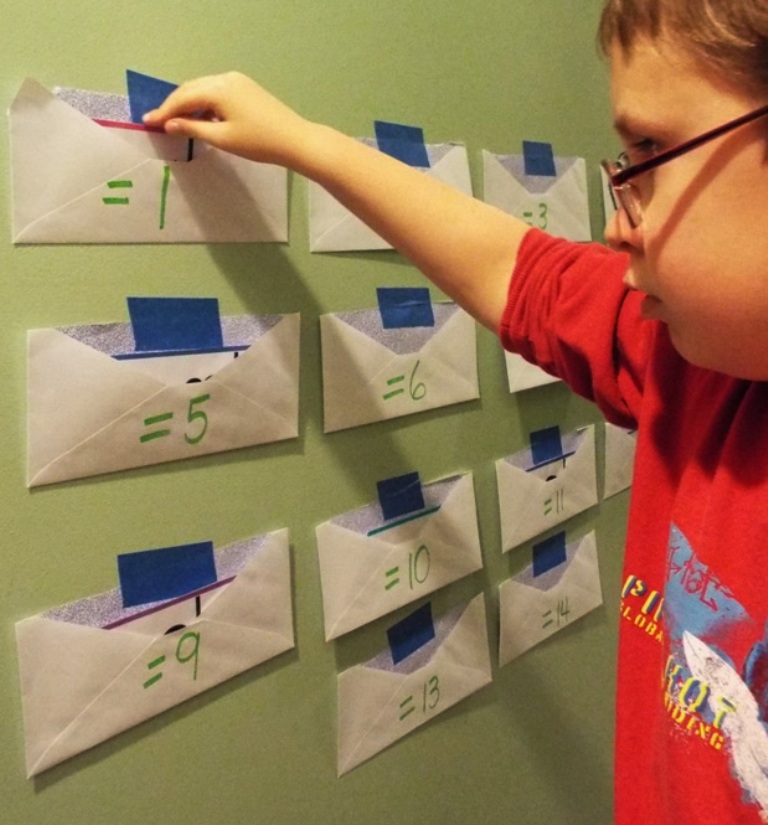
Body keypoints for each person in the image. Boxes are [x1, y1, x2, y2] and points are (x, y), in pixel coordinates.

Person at [145, 1, 768, 821]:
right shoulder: (701, 363)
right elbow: (524, 274)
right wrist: (305, 143)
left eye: (650, 152)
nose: (619, 228)